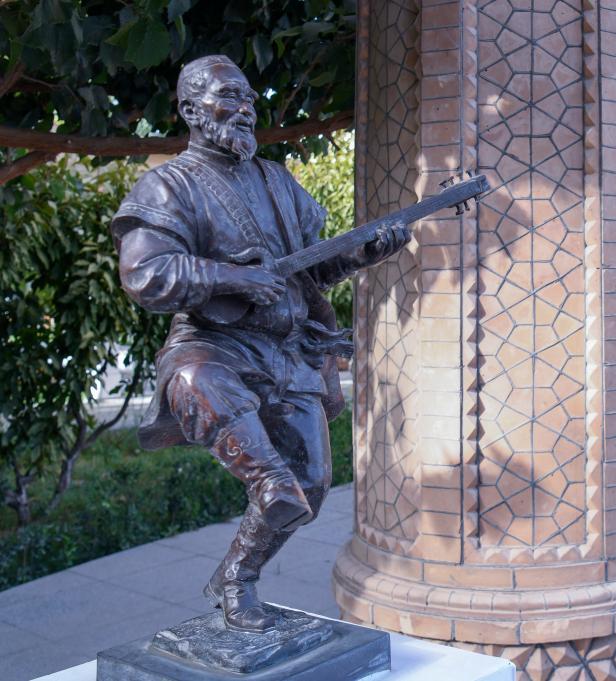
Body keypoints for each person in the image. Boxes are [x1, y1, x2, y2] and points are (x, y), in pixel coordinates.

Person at [111, 55, 411, 631]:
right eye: (229, 96)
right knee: (206, 393)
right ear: (191, 109)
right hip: (214, 345)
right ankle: (265, 484)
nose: (246, 107)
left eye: (249, 96)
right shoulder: (167, 186)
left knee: (311, 486)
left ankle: (236, 576)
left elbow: (309, 271)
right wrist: (232, 278)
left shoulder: (277, 180)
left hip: (288, 352)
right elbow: (146, 274)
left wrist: (361, 252)